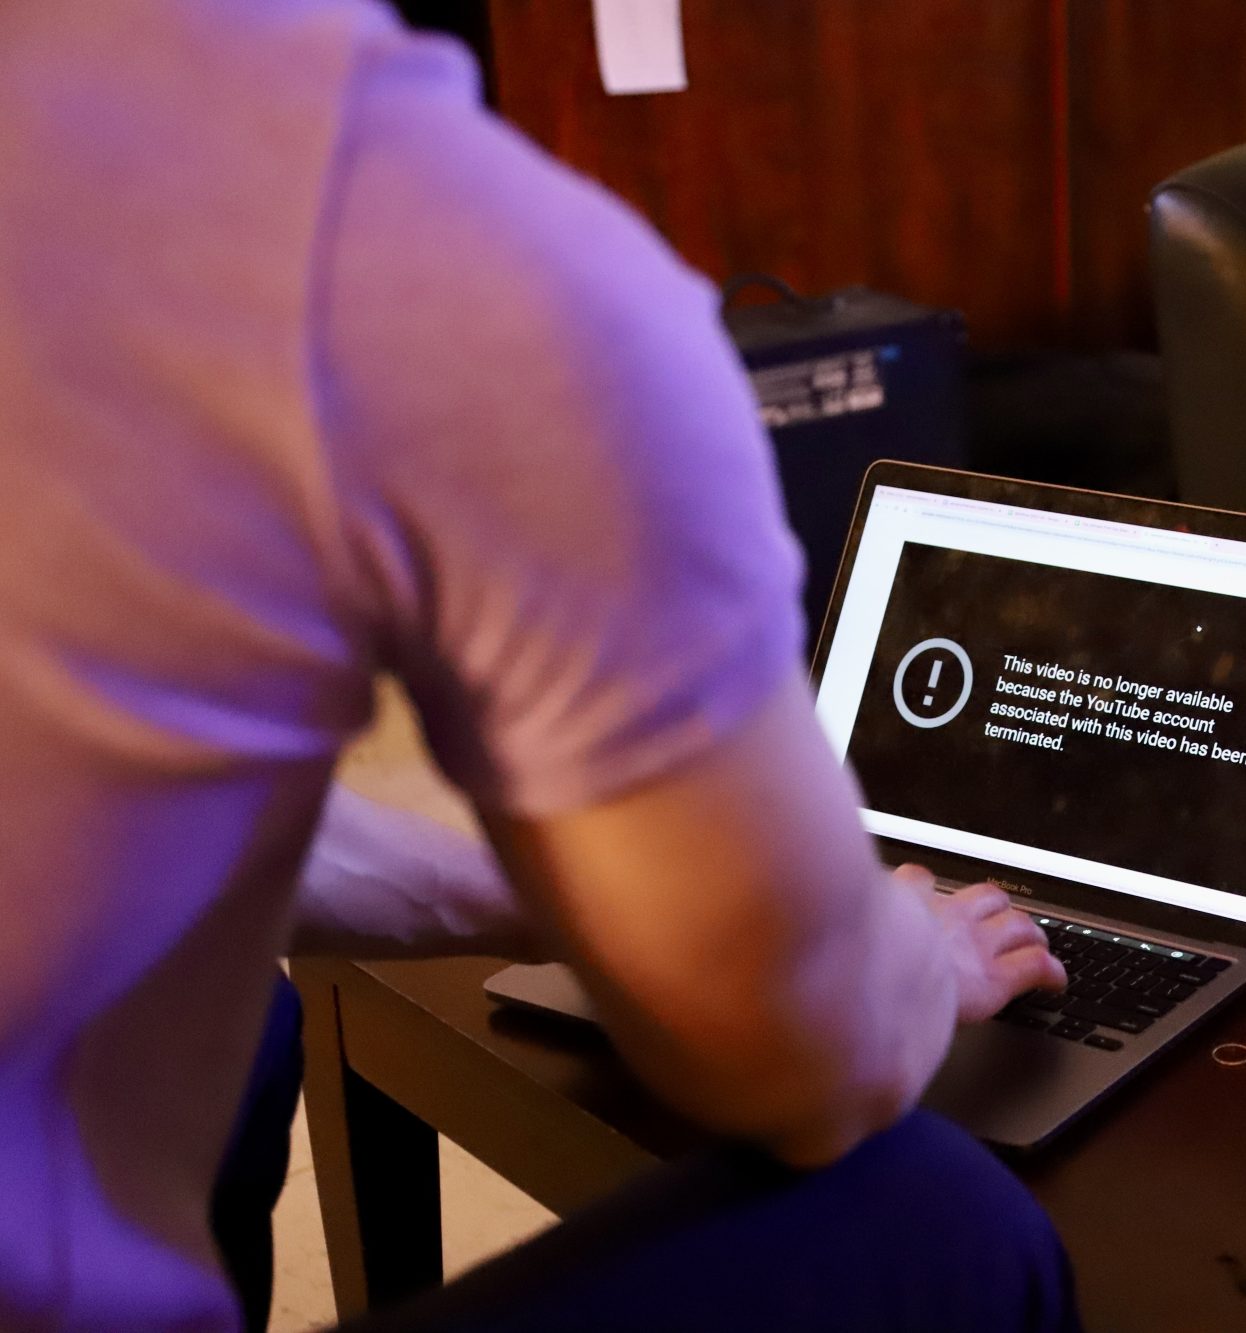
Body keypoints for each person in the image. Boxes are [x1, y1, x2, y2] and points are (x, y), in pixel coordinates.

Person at [0, 0, 1076, 1328]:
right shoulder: (419, 239)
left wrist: (571, 898)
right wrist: (902, 952)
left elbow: (126, 812)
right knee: (944, 1217)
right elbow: (805, 1062)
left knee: (246, 1029)